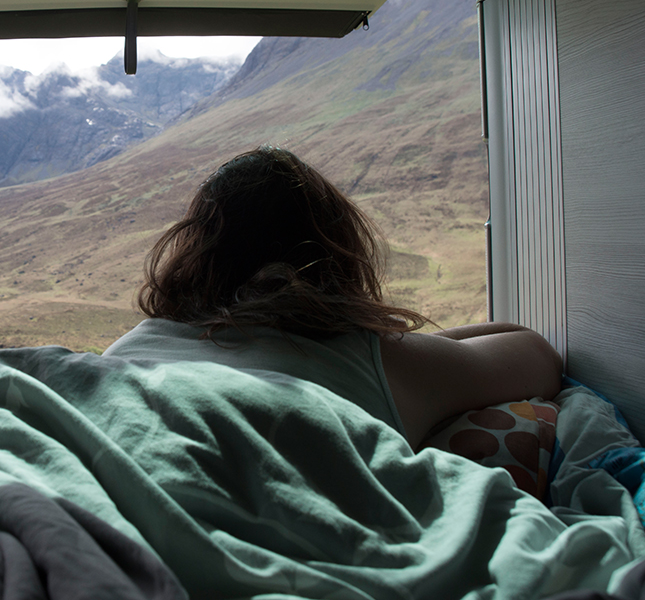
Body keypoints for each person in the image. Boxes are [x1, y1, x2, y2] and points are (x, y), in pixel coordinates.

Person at [105, 146, 562, 449]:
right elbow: (533, 353)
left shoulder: (126, 351)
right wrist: (391, 340)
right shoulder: (368, 358)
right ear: (333, 254)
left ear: (195, 253)